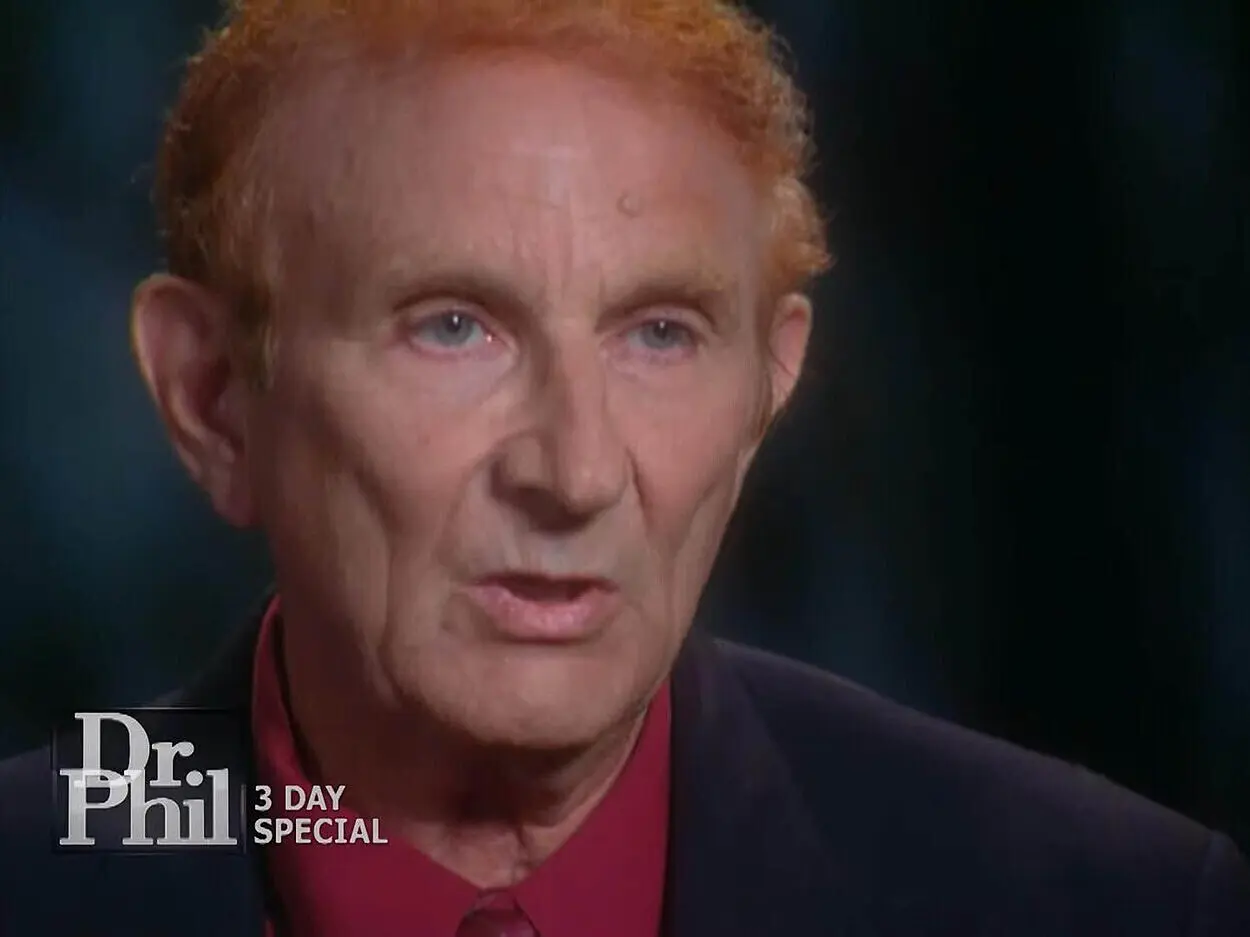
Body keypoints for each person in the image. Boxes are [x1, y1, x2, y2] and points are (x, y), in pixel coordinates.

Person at [2, 1, 1248, 934]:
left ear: (767, 387)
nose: (577, 472)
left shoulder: (1112, 905)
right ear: (214, 399)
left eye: (659, 333)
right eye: (453, 326)